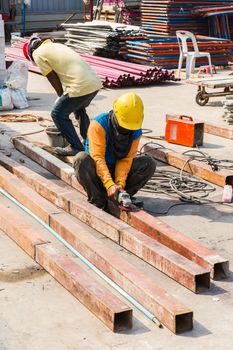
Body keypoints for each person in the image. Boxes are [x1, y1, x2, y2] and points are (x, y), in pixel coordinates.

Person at [73, 92, 156, 211]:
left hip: (117, 169)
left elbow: (126, 159)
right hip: (96, 171)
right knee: (81, 160)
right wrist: (109, 184)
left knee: (148, 163)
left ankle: (121, 195)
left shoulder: (135, 130)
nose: (127, 130)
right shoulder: (99, 124)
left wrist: (119, 184)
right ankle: (98, 200)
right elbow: (98, 158)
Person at [23, 35, 102, 156]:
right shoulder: (56, 46)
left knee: (58, 114)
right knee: (79, 109)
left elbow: (52, 77)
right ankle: (88, 141)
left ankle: (76, 147)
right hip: (94, 83)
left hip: (80, 85)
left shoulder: (37, 53)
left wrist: (61, 95)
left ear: (31, 51)